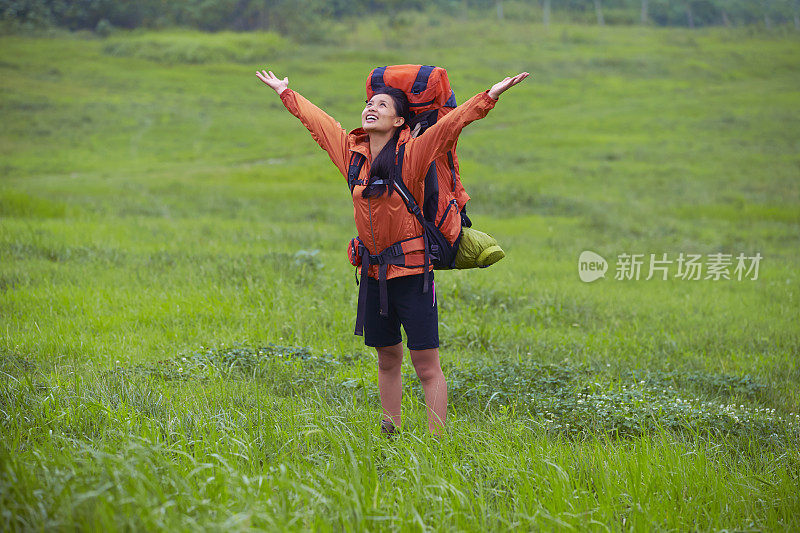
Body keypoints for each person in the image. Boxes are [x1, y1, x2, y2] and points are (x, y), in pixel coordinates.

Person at [256, 68, 529, 436]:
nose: (371, 107)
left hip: (414, 275)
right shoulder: (353, 156)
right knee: (387, 359)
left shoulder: (413, 155)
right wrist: (285, 93)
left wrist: (490, 95)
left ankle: (437, 441)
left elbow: (451, 127)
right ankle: (390, 433)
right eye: (369, 103)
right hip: (373, 275)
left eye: (381, 104)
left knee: (425, 364)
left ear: (399, 120)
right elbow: (320, 126)